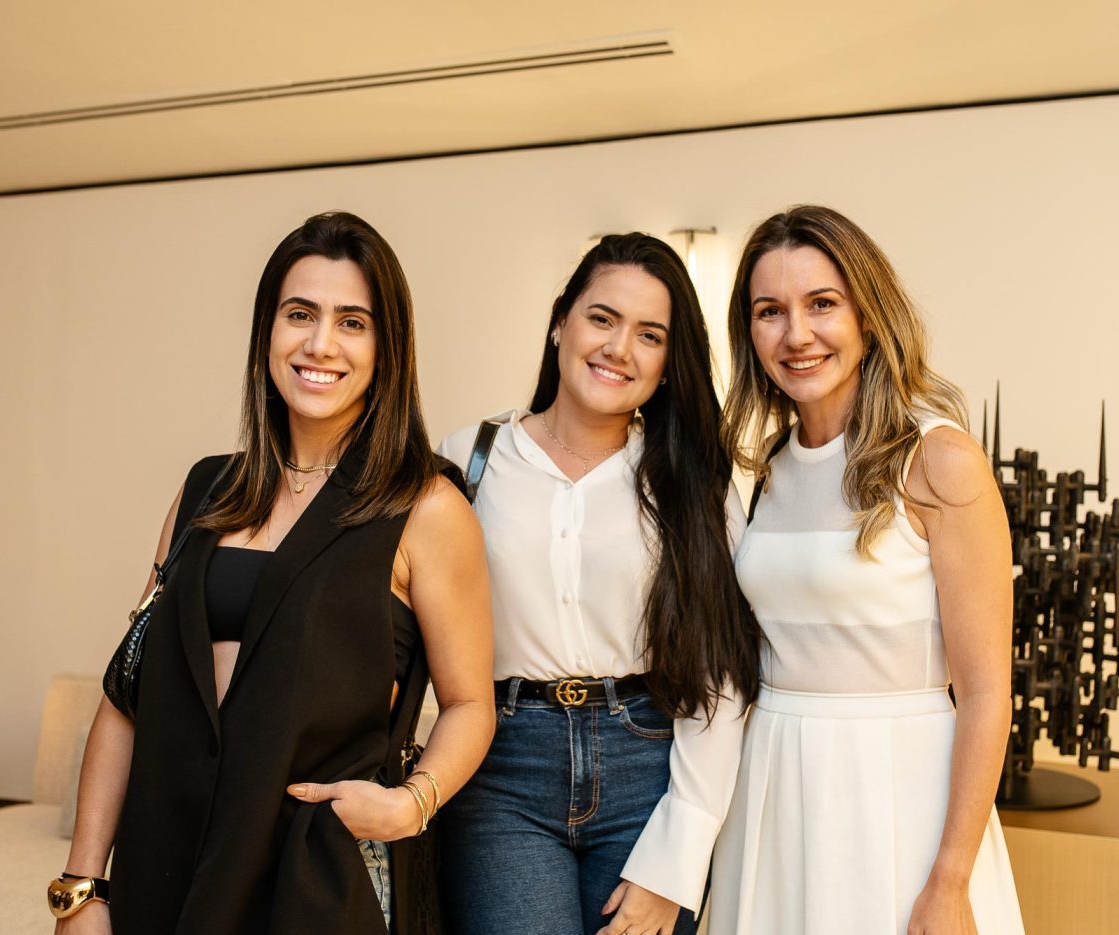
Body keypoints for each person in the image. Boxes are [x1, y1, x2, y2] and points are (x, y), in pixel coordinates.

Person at [53, 212, 495, 935]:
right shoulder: (205, 490)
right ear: (267, 332)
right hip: (161, 866)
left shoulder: (425, 505)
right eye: (300, 314)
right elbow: (124, 695)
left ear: (388, 347)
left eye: (353, 322)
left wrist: (411, 803)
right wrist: (81, 885)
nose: (320, 343)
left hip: (310, 879)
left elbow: (471, 703)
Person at [708, 205, 1025, 935]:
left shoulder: (939, 460)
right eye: (770, 311)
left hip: (901, 795)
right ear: (749, 333)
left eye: (822, 304)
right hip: (774, 786)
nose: (797, 334)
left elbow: (985, 693)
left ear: (869, 316)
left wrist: (950, 877)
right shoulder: (764, 471)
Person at [436, 233, 759, 935]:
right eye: (602, 318)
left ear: (671, 363)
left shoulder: (695, 483)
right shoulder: (468, 460)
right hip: (500, 770)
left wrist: (677, 856)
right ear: (560, 321)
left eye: (650, 334)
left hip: (649, 766)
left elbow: (723, 677)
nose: (619, 348)